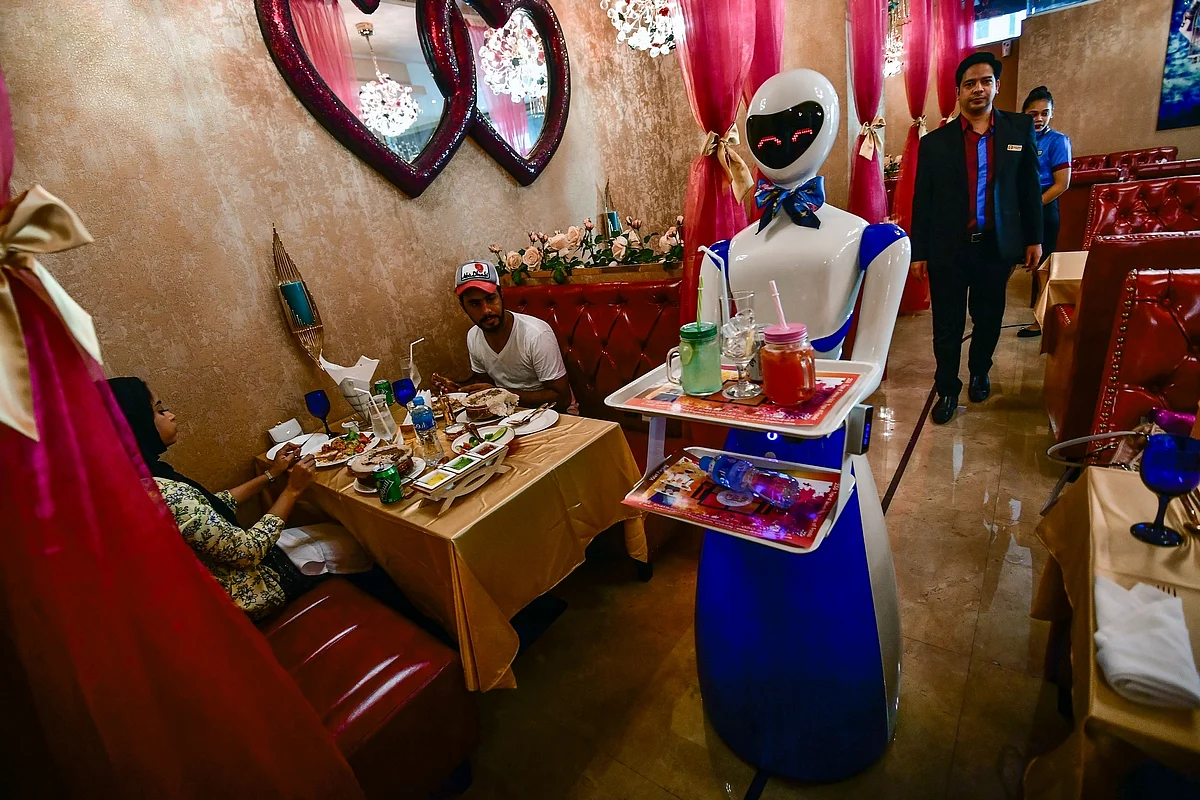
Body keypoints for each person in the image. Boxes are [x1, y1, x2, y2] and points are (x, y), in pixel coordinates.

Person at [108, 377, 323, 620]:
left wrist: (270, 474)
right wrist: (292, 490)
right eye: (159, 410)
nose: (171, 415)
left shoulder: (136, 480)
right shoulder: (162, 493)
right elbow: (248, 551)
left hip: (225, 582)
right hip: (250, 592)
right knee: (343, 539)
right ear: (135, 424)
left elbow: (209, 506)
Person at [911, 51, 1043, 425]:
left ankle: (980, 371)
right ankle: (947, 389)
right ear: (958, 92)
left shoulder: (1018, 129)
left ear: (996, 86)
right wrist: (919, 251)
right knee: (947, 325)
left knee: (988, 318)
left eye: (985, 81)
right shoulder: (934, 143)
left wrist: (1033, 237)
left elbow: (1029, 187)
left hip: (994, 248)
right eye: (969, 83)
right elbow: (923, 200)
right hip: (948, 249)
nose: (978, 89)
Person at [432, 260, 572, 411]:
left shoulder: (535, 334)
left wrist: (501, 394)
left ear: (501, 295)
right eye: (474, 304)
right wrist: (460, 390)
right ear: (462, 306)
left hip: (553, 413)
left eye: (490, 299)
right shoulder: (473, 336)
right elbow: (485, 384)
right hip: (506, 413)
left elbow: (562, 399)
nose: (486, 310)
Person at [1017, 85, 1072, 338]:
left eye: (1044, 113)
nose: (1039, 119)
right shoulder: (1018, 139)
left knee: (1042, 268)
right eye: (1033, 114)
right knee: (1005, 260)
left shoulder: (1058, 141)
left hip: (1044, 207)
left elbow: (1062, 183)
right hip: (1017, 208)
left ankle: (1040, 322)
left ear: (1051, 113)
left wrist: (1032, 207)